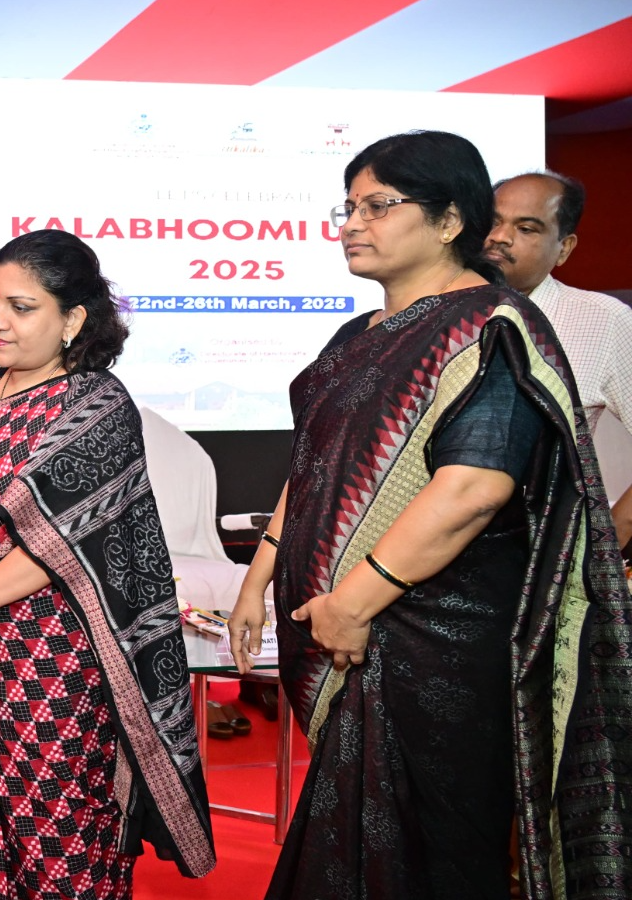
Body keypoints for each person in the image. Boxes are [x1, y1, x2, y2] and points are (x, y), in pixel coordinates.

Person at [227, 131, 632, 898]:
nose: (352, 222)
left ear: (450, 221)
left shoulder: (492, 328)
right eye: (348, 206)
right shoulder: (357, 336)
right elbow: (314, 466)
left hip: (437, 638)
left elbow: (475, 487)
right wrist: (261, 574)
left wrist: (353, 601)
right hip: (347, 626)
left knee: (432, 847)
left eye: (378, 205)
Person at [0, 229, 215, 898]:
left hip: (49, 659)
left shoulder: (96, 408)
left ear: (73, 318)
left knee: (49, 822)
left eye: (20, 306)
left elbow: (64, 540)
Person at [484, 171, 632, 547]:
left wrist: (606, 539)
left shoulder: (602, 319)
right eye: (493, 221)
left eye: (527, 228)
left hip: (542, 555)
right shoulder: (440, 312)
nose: (499, 236)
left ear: (564, 248)